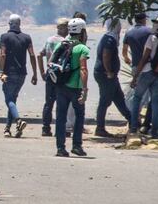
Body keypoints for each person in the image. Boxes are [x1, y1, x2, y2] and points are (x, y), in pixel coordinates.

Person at [54, 18, 90, 157]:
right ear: (82, 31)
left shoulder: (61, 45)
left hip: (61, 86)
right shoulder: (82, 48)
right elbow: (83, 70)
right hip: (75, 88)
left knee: (61, 117)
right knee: (79, 116)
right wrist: (85, 90)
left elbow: (52, 63)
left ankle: (60, 148)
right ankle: (77, 146)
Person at [0, 14, 37, 138]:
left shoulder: (4, 37)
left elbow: (3, 55)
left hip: (9, 73)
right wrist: (35, 73)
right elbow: (32, 55)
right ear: (20, 24)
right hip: (22, 74)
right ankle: (8, 129)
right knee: (13, 100)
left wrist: (1, 72)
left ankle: (18, 121)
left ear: (9, 24)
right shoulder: (27, 38)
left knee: (8, 99)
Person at [130, 16, 158, 139]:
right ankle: (155, 131)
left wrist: (135, 76)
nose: (154, 24)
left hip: (148, 72)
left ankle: (134, 128)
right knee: (156, 103)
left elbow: (145, 58)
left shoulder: (152, 38)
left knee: (137, 98)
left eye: (157, 23)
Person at [94, 18, 131, 137]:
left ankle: (133, 122)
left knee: (119, 99)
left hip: (109, 75)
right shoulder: (110, 39)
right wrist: (109, 71)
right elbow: (106, 55)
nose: (120, 28)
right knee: (104, 101)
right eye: (118, 25)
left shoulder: (109, 38)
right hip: (106, 75)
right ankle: (100, 128)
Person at [37, 18, 69, 136]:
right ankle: (61, 129)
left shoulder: (49, 40)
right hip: (62, 76)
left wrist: (42, 72)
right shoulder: (66, 42)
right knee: (62, 103)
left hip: (50, 74)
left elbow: (39, 55)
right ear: (65, 28)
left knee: (48, 103)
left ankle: (46, 128)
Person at [122, 12, 152, 133]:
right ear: (144, 20)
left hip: (135, 67)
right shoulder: (149, 32)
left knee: (136, 96)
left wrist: (128, 60)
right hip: (149, 67)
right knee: (151, 96)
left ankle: (134, 124)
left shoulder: (129, 32)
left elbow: (124, 51)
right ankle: (147, 124)